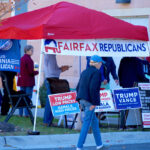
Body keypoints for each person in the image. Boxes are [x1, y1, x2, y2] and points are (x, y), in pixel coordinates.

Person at [76, 55, 104, 150]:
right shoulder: (96, 73)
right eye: (101, 63)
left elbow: (78, 87)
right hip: (89, 101)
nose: (101, 65)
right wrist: (94, 103)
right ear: (97, 63)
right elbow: (93, 88)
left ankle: (99, 145)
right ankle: (79, 146)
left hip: (82, 100)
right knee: (87, 123)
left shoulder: (84, 72)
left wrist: (79, 101)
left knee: (94, 122)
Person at [118, 57, 149, 129]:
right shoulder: (137, 61)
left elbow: (119, 72)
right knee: (139, 106)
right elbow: (140, 75)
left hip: (125, 85)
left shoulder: (123, 59)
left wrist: (121, 83)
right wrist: (147, 81)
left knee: (124, 105)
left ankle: (122, 125)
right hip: (135, 86)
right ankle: (142, 124)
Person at [43, 54, 70, 126]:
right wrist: (61, 69)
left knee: (51, 101)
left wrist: (60, 69)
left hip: (51, 79)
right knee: (51, 101)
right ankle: (47, 121)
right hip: (51, 79)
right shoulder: (50, 55)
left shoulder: (51, 55)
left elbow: (52, 70)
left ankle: (48, 121)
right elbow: (52, 71)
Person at [17, 45, 39, 117]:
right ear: (27, 50)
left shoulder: (21, 58)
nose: (32, 52)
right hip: (28, 81)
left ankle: (20, 114)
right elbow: (30, 72)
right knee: (28, 98)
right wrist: (37, 71)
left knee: (21, 97)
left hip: (21, 81)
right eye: (32, 50)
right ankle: (26, 114)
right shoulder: (29, 60)